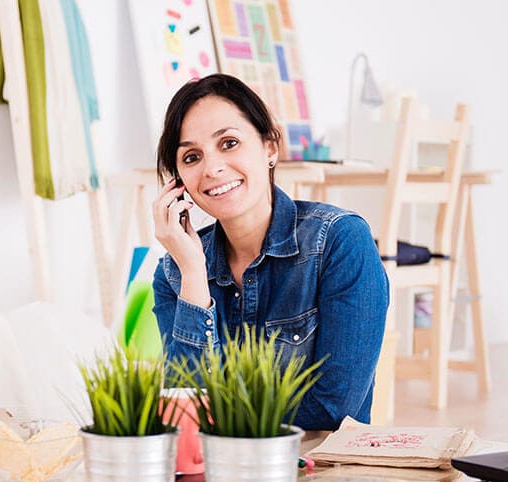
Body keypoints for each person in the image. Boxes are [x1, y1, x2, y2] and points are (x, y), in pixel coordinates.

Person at [151, 74, 389, 431]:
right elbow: (185, 411)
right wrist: (194, 274)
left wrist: (220, 414)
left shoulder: (339, 242)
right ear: (179, 181)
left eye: (229, 143)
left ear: (270, 147)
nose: (212, 169)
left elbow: (334, 408)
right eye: (192, 156)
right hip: (219, 474)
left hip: (321, 472)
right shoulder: (176, 272)